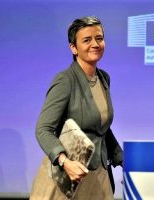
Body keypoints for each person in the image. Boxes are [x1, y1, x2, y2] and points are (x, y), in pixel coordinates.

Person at [30, 16, 123, 200]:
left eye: (99, 38)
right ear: (73, 47)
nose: (95, 44)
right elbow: (43, 129)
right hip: (67, 177)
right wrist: (65, 162)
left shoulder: (104, 79)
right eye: (87, 40)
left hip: (98, 175)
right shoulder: (65, 80)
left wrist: (123, 159)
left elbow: (101, 129)